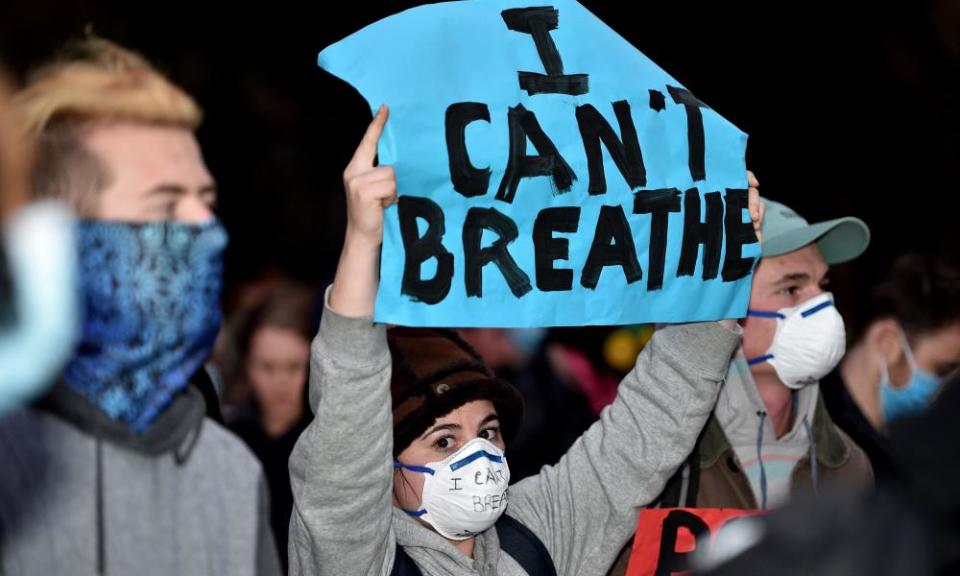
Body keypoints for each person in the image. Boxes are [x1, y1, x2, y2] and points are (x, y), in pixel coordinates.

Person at [287, 105, 763, 576]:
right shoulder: (356, 560)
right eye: (444, 441)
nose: (478, 457)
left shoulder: (536, 534)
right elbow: (345, 437)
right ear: (382, 467)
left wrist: (718, 270)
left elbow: (649, 424)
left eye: (488, 432)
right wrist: (362, 242)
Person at [0, 36, 281, 576]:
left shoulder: (230, 473)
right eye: (167, 202)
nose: (207, 230)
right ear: (68, 237)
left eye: (208, 201)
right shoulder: (12, 461)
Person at [609, 197, 875, 575]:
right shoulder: (641, 458)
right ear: (722, 305)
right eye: (791, 289)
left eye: (822, 284)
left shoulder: (848, 466)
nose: (822, 307)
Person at [823, 252, 960, 481]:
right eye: (943, 370)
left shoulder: (906, 453)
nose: (949, 389)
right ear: (888, 343)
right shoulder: (821, 449)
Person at [227, 282, 317, 572]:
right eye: (266, 367)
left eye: (294, 367)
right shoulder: (229, 444)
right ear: (247, 366)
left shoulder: (332, 445)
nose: (280, 382)